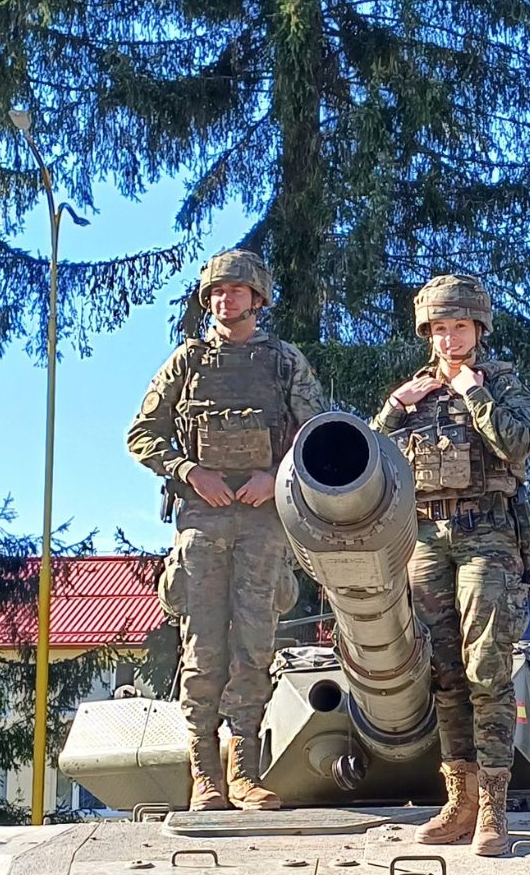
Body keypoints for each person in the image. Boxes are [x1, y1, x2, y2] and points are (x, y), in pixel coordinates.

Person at [126, 249, 326, 811]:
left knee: (254, 645)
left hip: (264, 521)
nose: (224, 299)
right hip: (202, 518)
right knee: (202, 648)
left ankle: (243, 771)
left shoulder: (286, 363)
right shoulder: (186, 363)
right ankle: (204, 775)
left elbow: (317, 434)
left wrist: (274, 475)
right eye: (216, 292)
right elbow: (142, 433)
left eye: (236, 290)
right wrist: (191, 472)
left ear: (257, 299)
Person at [371, 274, 530, 855]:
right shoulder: (412, 395)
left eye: (458, 327)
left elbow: (517, 445)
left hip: (487, 536)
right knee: (443, 674)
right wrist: (394, 409)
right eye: (439, 329)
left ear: (478, 329)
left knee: (486, 670)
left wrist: (476, 393)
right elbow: (367, 462)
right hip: (425, 540)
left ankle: (494, 807)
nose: (448, 339)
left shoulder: (503, 383)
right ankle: (459, 801)